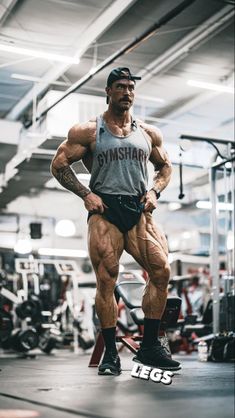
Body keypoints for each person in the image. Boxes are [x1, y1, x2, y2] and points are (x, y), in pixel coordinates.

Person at [51, 67, 181, 375]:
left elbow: (165, 167)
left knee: (161, 272)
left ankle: (149, 346)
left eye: (131, 87)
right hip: (105, 210)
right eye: (121, 87)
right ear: (108, 92)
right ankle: (111, 354)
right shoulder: (89, 131)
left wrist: (155, 191)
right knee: (107, 279)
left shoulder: (149, 133)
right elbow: (59, 165)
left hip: (139, 209)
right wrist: (85, 194)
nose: (127, 92)